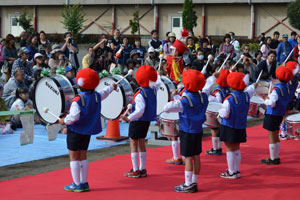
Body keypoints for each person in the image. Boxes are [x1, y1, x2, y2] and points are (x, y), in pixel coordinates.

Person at [58, 68, 117, 192]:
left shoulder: (78, 100)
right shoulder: (97, 96)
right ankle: (84, 182)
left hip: (75, 131)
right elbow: (105, 92)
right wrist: (112, 87)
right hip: (87, 131)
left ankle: (76, 183)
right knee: (83, 155)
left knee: (74, 156)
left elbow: (73, 117)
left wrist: (64, 121)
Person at [163, 69, 217, 193]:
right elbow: (208, 87)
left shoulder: (184, 101)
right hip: (198, 130)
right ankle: (194, 182)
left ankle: (188, 184)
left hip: (187, 131)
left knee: (188, 158)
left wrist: (174, 96)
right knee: (196, 157)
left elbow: (167, 108)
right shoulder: (203, 97)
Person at [122, 65, 161, 178]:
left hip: (137, 120)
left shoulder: (140, 94)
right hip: (147, 120)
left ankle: (135, 170)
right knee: (142, 142)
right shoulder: (153, 89)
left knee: (133, 143)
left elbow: (140, 110)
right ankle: (142, 168)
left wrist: (129, 118)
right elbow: (158, 83)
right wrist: (157, 75)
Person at [218, 72, 256, 179]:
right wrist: (253, 84)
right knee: (237, 148)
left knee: (229, 148)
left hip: (229, 126)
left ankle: (231, 171)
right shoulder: (246, 95)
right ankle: (236, 170)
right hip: (241, 125)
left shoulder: (229, 99)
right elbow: (252, 88)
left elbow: (225, 114)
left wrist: (219, 110)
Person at [261, 66, 293, 165]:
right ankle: (276, 156)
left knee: (271, 135)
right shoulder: (287, 87)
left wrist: (264, 99)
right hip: (280, 113)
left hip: (272, 113)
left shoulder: (276, 89)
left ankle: (273, 158)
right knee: (276, 134)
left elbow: (272, 103)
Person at [206, 69, 231, 155]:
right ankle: (218, 147)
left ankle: (216, 148)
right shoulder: (227, 89)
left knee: (214, 130)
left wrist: (209, 97)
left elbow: (217, 102)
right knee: (218, 130)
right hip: (224, 111)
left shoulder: (218, 91)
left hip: (217, 112)